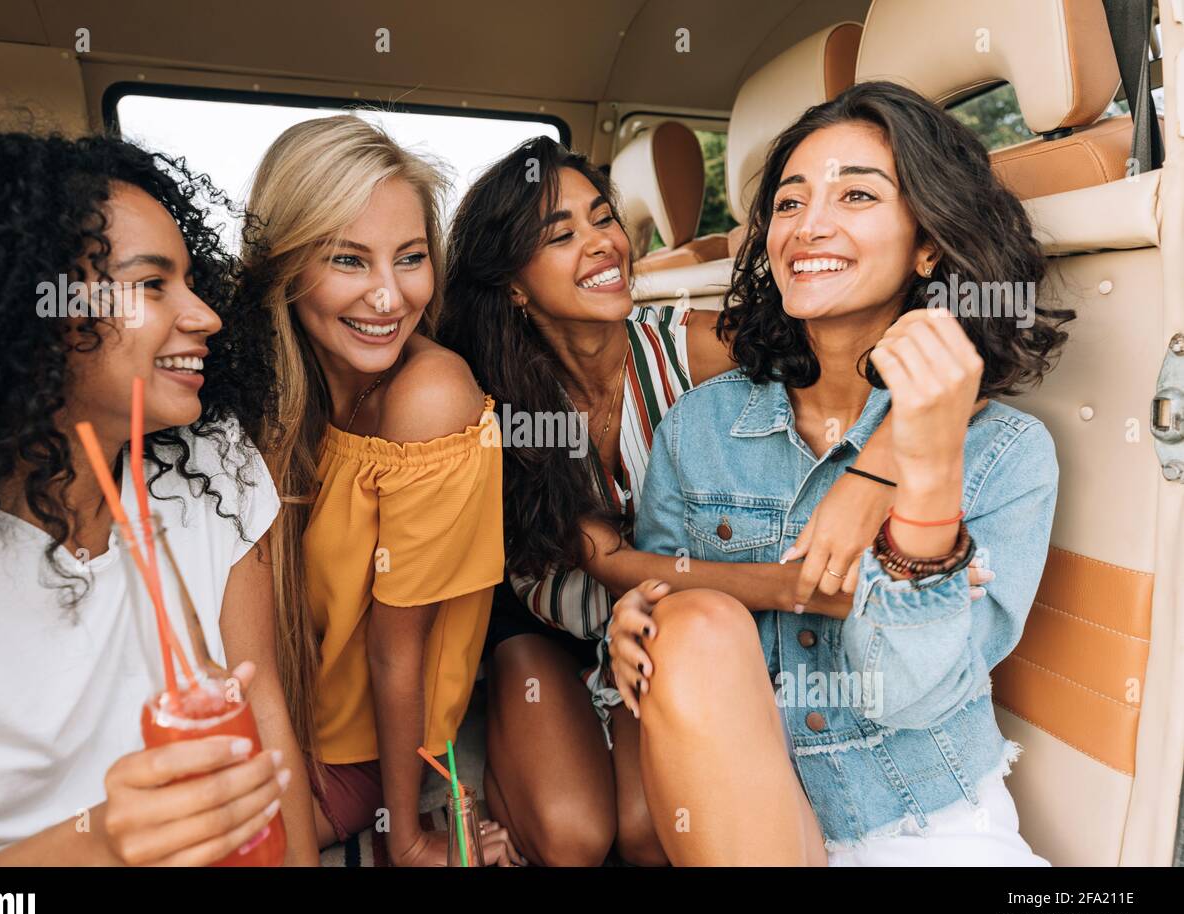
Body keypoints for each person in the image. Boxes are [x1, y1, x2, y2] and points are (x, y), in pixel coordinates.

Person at [436, 136, 985, 865]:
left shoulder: (691, 348)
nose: (601, 245)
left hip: (668, 616)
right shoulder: (495, 397)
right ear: (513, 285)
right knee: (572, 838)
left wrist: (873, 473)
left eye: (604, 219)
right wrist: (796, 589)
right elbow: (610, 565)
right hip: (552, 619)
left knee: (645, 834)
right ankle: (498, 774)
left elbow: (890, 364)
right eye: (561, 236)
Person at [608, 81, 1070, 865]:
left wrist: (915, 476)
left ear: (928, 244)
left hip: (921, 818)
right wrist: (629, 638)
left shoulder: (1006, 453)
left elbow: (908, 694)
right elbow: (657, 607)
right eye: (788, 203)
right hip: (742, 819)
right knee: (689, 622)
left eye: (857, 195)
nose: (808, 226)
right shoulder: (701, 429)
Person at [0, 126, 318, 864]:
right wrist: (102, 843)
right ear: (31, 316)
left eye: (190, 281)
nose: (205, 316)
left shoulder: (212, 470)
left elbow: (264, 715)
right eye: (153, 285)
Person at [242, 115, 519, 865]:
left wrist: (408, 834)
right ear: (286, 265)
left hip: (356, 745)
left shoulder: (429, 394)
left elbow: (400, 655)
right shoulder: (262, 389)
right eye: (349, 261)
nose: (389, 297)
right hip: (270, 712)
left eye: (410, 259)